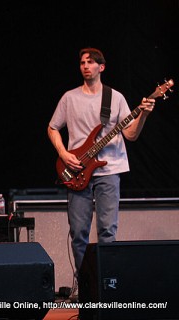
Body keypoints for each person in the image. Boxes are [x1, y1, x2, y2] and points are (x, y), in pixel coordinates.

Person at [47, 48, 155, 278]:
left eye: (90, 62)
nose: (85, 66)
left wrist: (143, 115)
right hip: (76, 169)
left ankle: (107, 282)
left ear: (101, 67)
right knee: (78, 232)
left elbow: (131, 135)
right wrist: (64, 154)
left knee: (107, 231)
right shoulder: (70, 97)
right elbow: (53, 127)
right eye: (82, 62)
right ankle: (84, 282)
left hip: (110, 169)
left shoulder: (115, 98)